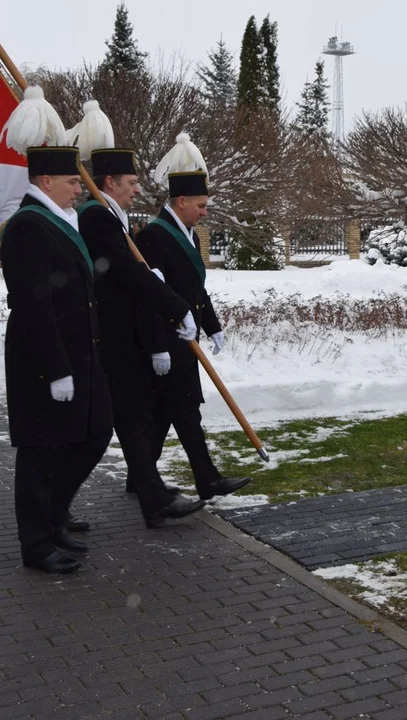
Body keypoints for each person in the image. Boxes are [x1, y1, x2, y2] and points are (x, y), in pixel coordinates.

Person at [77, 146, 206, 528]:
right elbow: (127, 275)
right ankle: (54, 504)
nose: (136, 190)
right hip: (109, 336)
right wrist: (172, 303)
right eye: (130, 183)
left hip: (120, 337)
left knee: (133, 417)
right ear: (109, 182)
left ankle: (152, 496)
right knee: (111, 426)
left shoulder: (107, 215)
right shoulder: (97, 217)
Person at [0, 145, 113, 573]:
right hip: (43, 358)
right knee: (39, 452)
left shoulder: (57, 220)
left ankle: (55, 514)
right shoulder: (28, 226)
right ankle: (36, 543)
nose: (77, 190)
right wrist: (56, 369)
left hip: (80, 352)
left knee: (94, 431)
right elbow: (34, 305)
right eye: (72, 182)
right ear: (45, 182)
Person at [136, 134, 250, 502]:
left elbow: (196, 288)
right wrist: (157, 347)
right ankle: (207, 479)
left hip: (187, 337)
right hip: (168, 339)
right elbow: (149, 298)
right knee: (184, 410)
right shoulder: (154, 236)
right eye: (200, 205)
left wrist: (212, 326)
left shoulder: (189, 235)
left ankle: (140, 476)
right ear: (180, 201)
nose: (204, 212)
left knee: (168, 413)